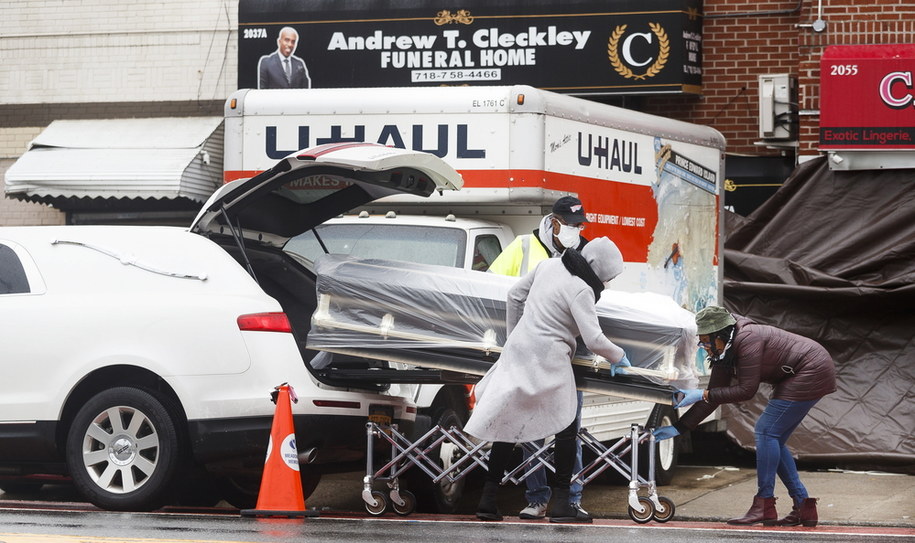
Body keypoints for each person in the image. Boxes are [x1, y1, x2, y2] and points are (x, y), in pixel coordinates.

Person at [466, 237, 631, 523]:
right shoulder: (582, 290)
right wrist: (619, 356)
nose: (607, 283)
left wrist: (518, 334)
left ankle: (488, 501)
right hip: (550, 361)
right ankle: (562, 504)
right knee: (566, 428)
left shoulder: (548, 265)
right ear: (596, 268)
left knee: (507, 424)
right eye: (609, 276)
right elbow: (594, 339)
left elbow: (514, 295)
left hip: (517, 353)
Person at [653, 306, 836, 527]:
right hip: (797, 373)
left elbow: (746, 390)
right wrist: (679, 427)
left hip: (812, 369)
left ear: (720, 334)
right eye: (701, 342)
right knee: (773, 438)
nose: (704, 347)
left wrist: (701, 393)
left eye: (706, 342)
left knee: (766, 432)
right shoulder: (724, 350)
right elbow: (714, 398)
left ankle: (764, 504)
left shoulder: (748, 339)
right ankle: (803, 508)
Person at [486, 196, 591, 520]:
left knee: (568, 428)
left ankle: (570, 499)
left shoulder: (585, 250)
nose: (577, 231)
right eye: (571, 225)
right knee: (529, 429)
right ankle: (537, 498)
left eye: (580, 225)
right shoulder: (523, 247)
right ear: (554, 221)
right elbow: (491, 285)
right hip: (531, 355)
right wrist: (515, 338)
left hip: (568, 356)